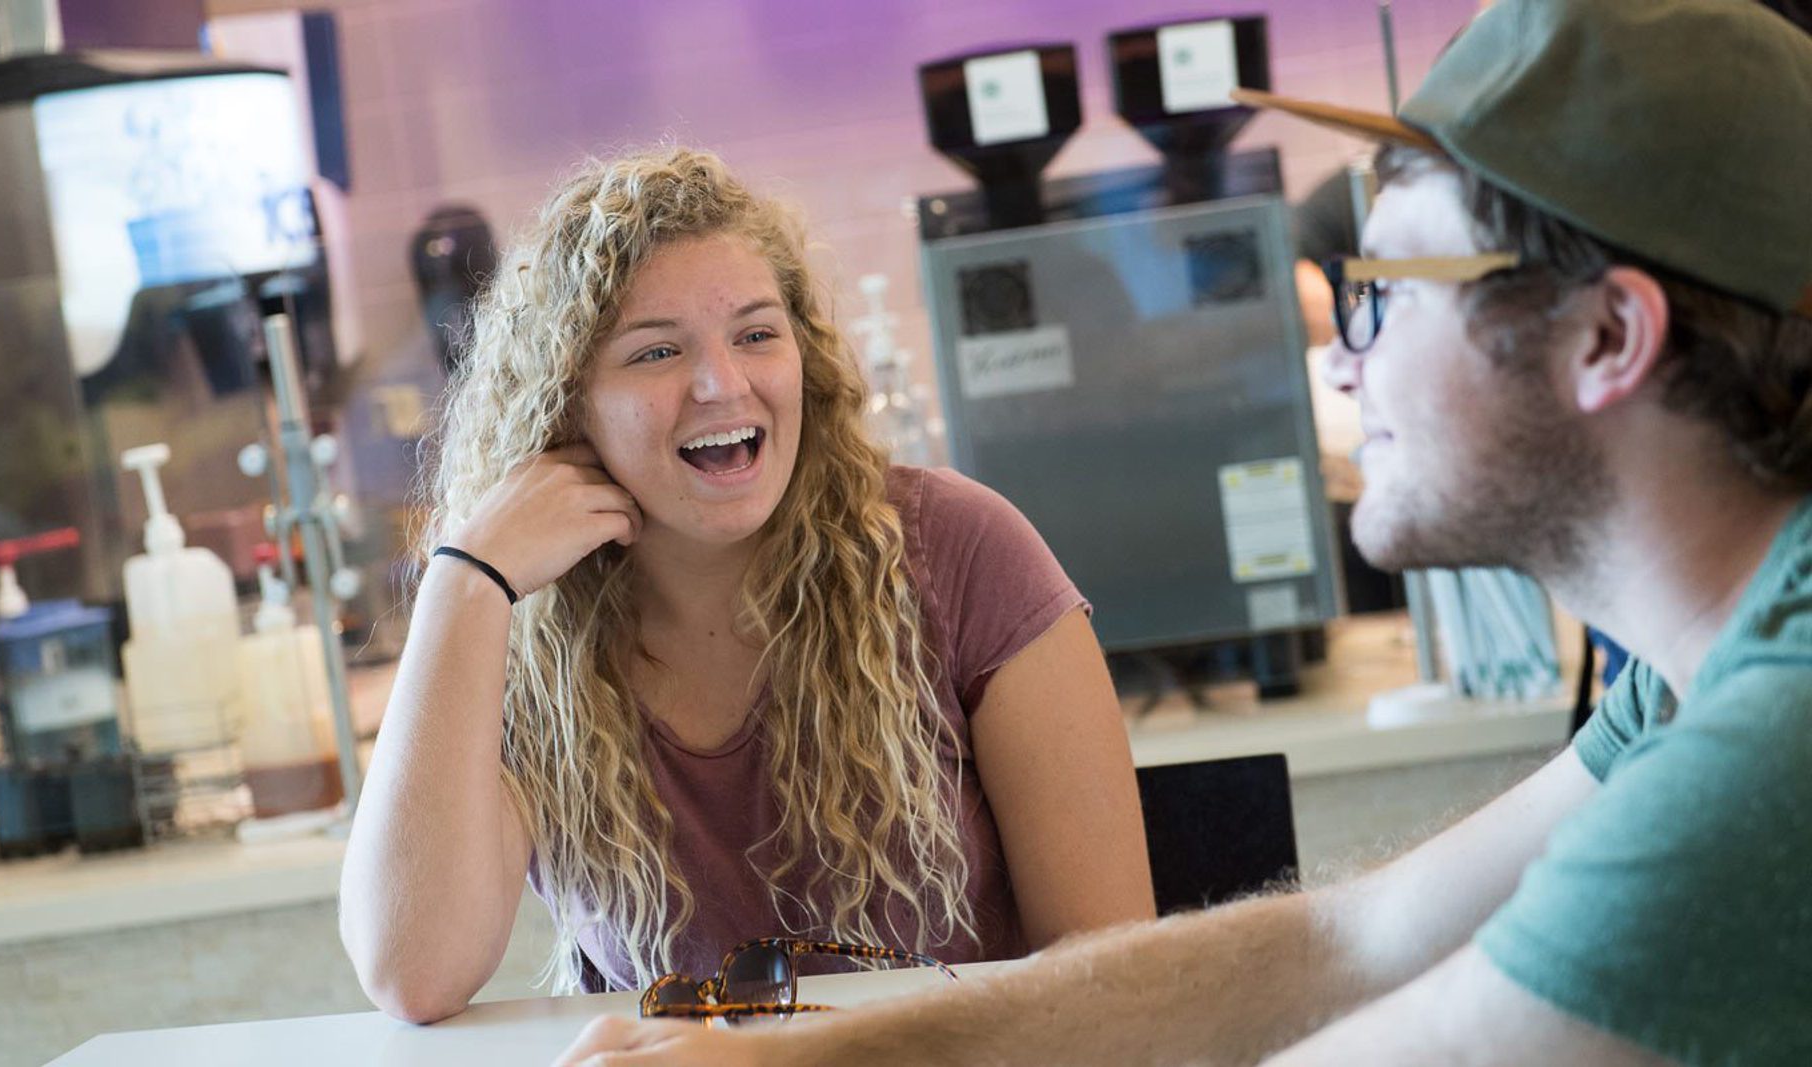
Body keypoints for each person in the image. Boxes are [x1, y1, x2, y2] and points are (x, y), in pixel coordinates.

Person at [557, 1, 1812, 1063]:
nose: (1344, 360)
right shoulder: (1694, 671)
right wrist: (807, 1050)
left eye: (1383, 291)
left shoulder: (1774, 746)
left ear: (1606, 338)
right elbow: (1351, 936)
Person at [337, 148, 1152, 1022]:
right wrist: (465, 582)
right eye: (656, 351)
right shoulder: (519, 629)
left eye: (758, 335)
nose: (722, 383)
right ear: (567, 408)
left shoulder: (961, 551)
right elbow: (411, 971)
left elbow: (1119, 984)